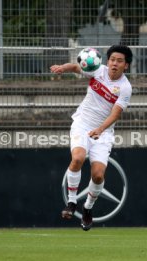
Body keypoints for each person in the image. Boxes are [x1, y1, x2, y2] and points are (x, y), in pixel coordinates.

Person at [50, 45, 132, 231]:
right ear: (107, 61)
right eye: (112, 60)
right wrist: (63, 67)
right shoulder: (97, 70)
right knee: (77, 158)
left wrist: (101, 129)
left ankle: (87, 208)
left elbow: (115, 114)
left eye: (119, 61)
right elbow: (76, 67)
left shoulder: (125, 88)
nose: (114, 64)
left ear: (125, 65)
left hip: (103, 133)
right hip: (82, 124)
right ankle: (71, 203)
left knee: (98, 175)